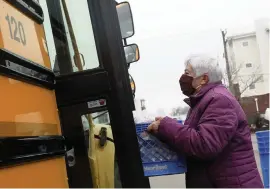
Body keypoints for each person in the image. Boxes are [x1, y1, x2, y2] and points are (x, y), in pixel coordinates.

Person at [147, 54, 264, 188]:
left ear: (204, 79)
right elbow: (191, 139)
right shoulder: (203, 101)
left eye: (187, 73)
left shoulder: (219, 100)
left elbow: (205, 145)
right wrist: (163, 130)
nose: (183, 77)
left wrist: (166, 126)